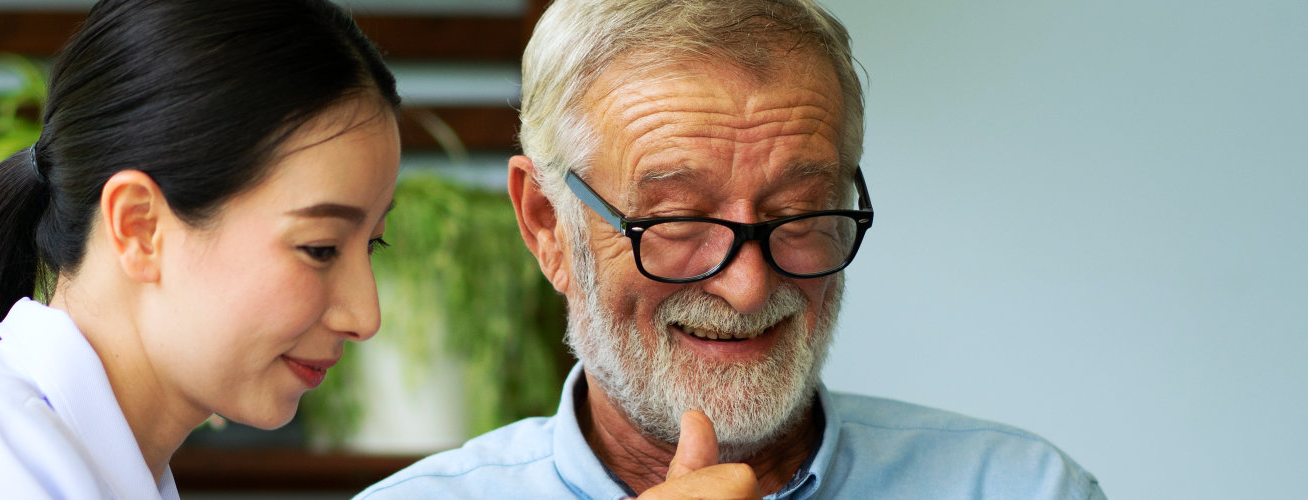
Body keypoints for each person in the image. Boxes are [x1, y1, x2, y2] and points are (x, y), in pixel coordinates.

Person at [358, 1, 1104, 499]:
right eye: (678, 220)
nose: (749, 287)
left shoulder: (1020, 488)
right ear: (548, 226)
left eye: (801, 212)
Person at [0, 0, 402, 497]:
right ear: (139, 226)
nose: (364, 316)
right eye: (321, 248)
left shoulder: (63, 460)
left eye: (371, 246)